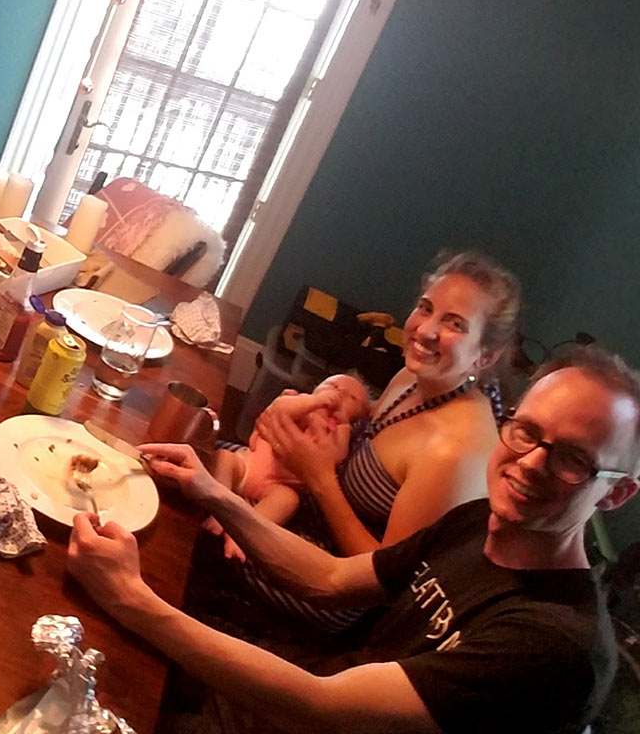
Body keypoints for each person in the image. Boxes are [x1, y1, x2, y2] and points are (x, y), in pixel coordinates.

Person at [68, 345, 639, 734]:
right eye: (526, 432)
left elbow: (325, 710)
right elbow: (332, 578)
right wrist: (212, 492)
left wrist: (133, 599)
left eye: (570, 459)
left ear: (615, 494)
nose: (531, 462)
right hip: (310, 683)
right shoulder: (480, 522)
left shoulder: (556, 647)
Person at [201, 252, 522, 634]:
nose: (425, 331)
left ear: (486, 355)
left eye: (455, 324)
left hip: (332, 579)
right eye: (425, 308)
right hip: (306, 502)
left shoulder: (453, 452)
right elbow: (376, 423)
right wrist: (316, 406)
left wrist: (320, 478)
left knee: (201, 539)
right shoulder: (413, 377)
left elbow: (381, 580)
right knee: (199, 456)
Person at [206, 374, 368, 562]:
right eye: (333, 385)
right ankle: (219, 511)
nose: (339, 393)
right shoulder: (301, 402)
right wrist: (314, 402)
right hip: (247, 465)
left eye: (351, 397)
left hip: (278, 485)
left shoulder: (339, 430)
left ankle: (241, 535)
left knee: (288, 500)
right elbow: (282, 410)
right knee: (224, 458)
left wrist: (342, 426)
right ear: (316, 388)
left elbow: (338, 456)